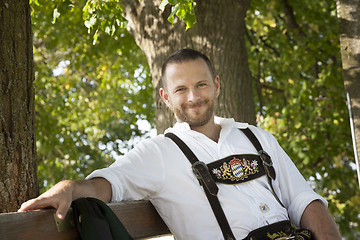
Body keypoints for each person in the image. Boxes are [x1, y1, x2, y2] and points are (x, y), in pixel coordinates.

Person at [19, 49, 341, 240]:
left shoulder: (257, 137)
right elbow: (108, 183)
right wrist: (67, 189)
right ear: (165, 97)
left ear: (216, 85)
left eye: (201, 85)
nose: (193, 98)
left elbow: (304, 200)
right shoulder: (159, 154)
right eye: (181, 89)